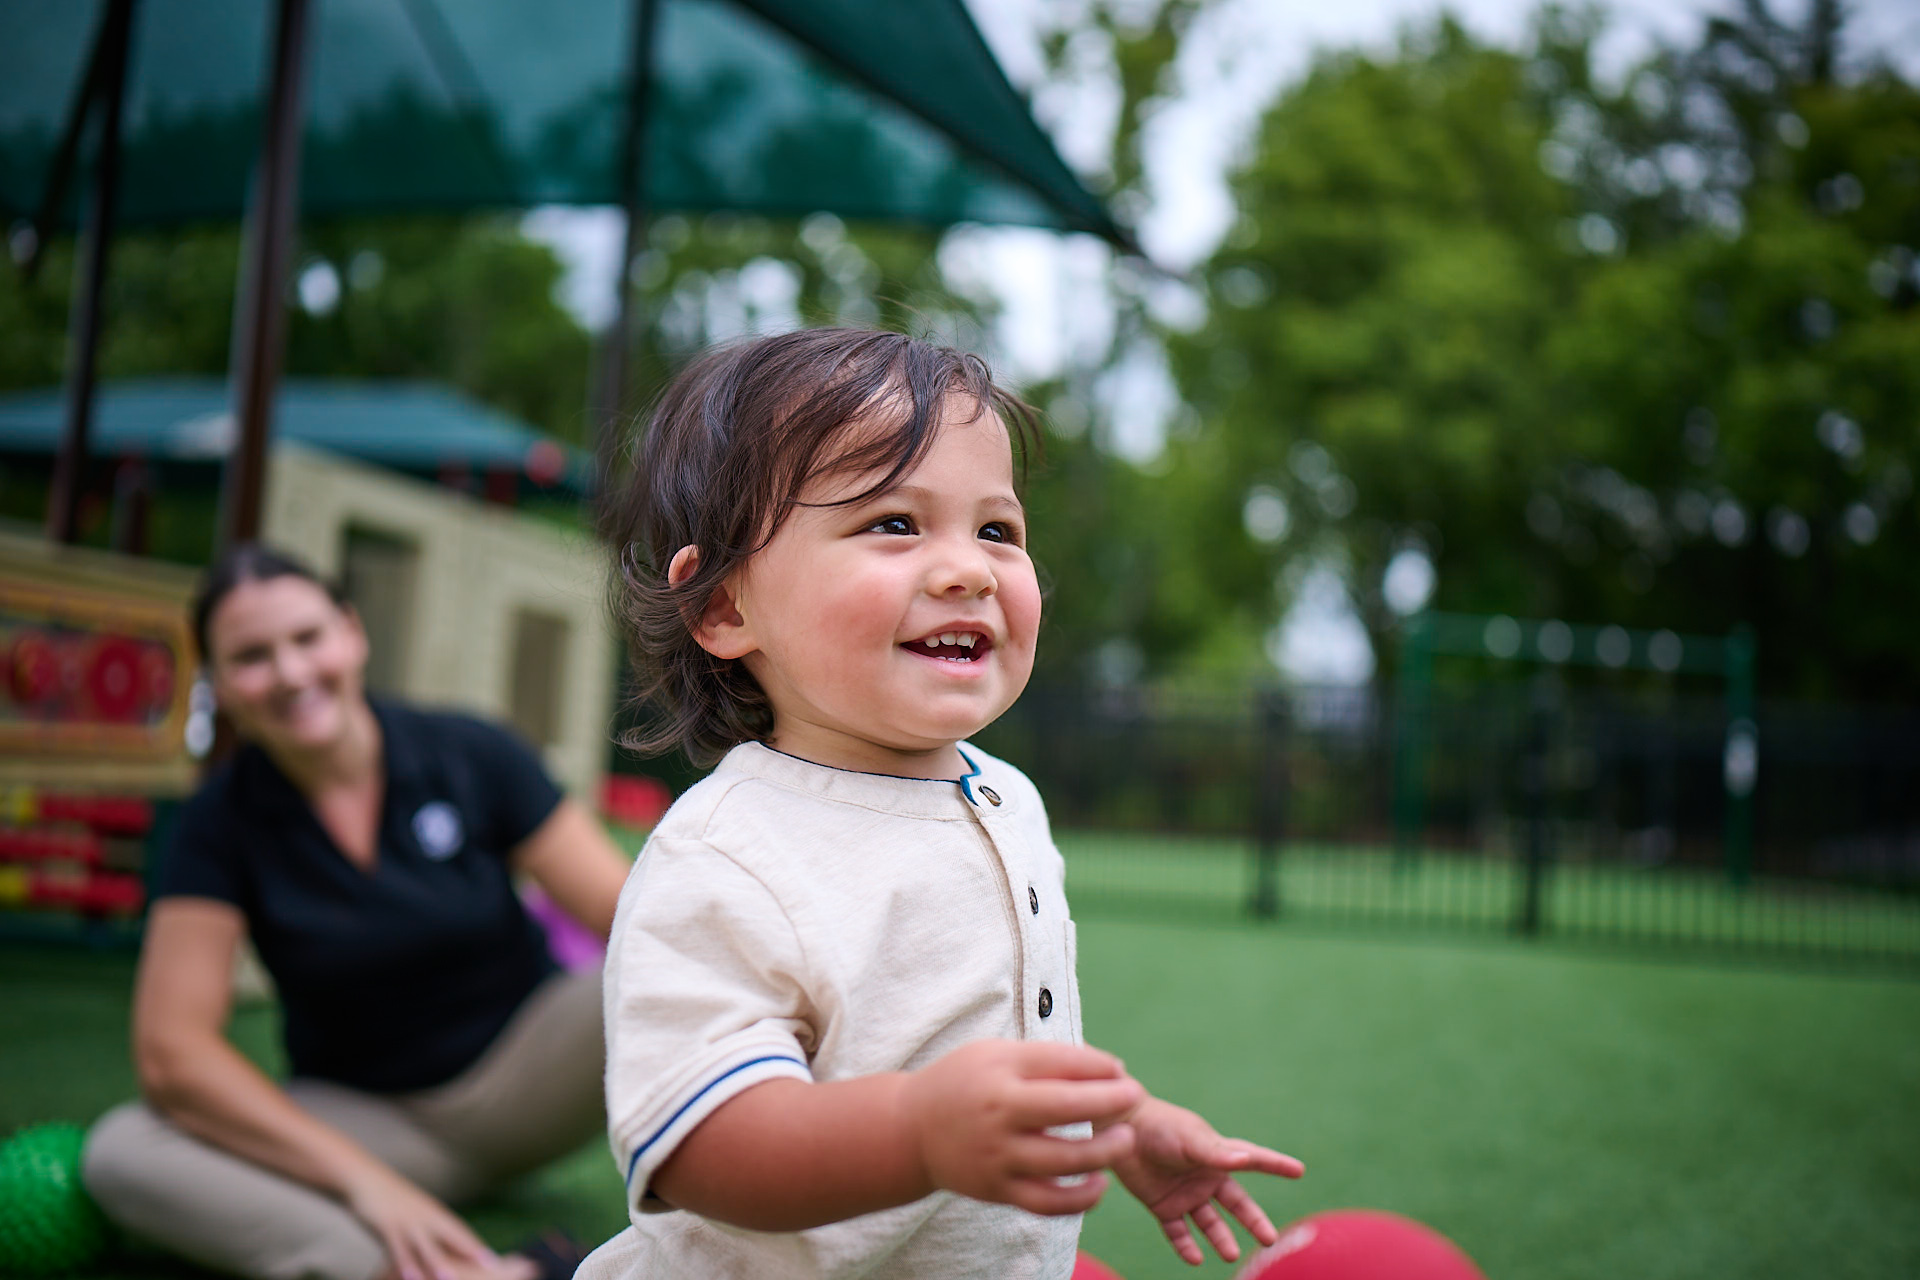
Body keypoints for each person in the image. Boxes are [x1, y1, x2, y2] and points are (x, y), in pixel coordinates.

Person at [582, 328, 1305, 1280]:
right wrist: (919, 1133)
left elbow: (986, 1022)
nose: (968, 568)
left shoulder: (1005, 797)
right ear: (723, 606)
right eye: (893, 523)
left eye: (997, 530)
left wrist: (1124, 1123)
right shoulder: (726, 858)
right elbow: (703, 1149)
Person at [83, 545, 634, 1280]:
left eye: (307, 639)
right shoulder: (217, 824)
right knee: (122, 1152)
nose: (290, 673)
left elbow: (633, 917)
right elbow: (171, 1051)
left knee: (665, 971)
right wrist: (363, 1182)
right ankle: (487, 1275)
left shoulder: (470, 752)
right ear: (216, 680)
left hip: (531, 1073)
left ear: (350, 633)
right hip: (372, 1122)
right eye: (251, 656)